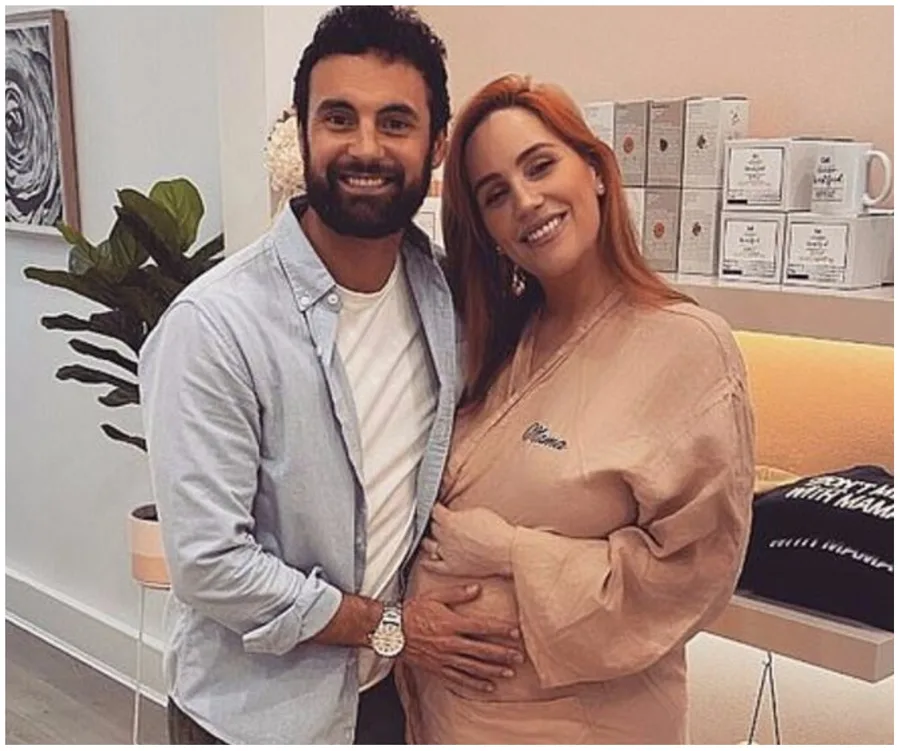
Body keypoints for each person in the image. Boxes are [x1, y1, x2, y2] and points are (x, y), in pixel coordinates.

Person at [139, 8, 523, 745]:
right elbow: (212, 565)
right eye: (339, 117)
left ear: (437, 144)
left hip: (386, 705)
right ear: (304, 129)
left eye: (396, 122)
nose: (366, 147)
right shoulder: (217, 325)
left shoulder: (447, 301)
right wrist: (391, 627)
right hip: (252, 721)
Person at [395, 74, 756, 744]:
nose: (526, 202)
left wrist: (508, 551)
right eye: (496, 195)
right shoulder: (493, 340)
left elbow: (691, 575)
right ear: (488, 231)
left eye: (540, 166)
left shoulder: (689, 349)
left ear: (593, 168)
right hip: (452, 717)